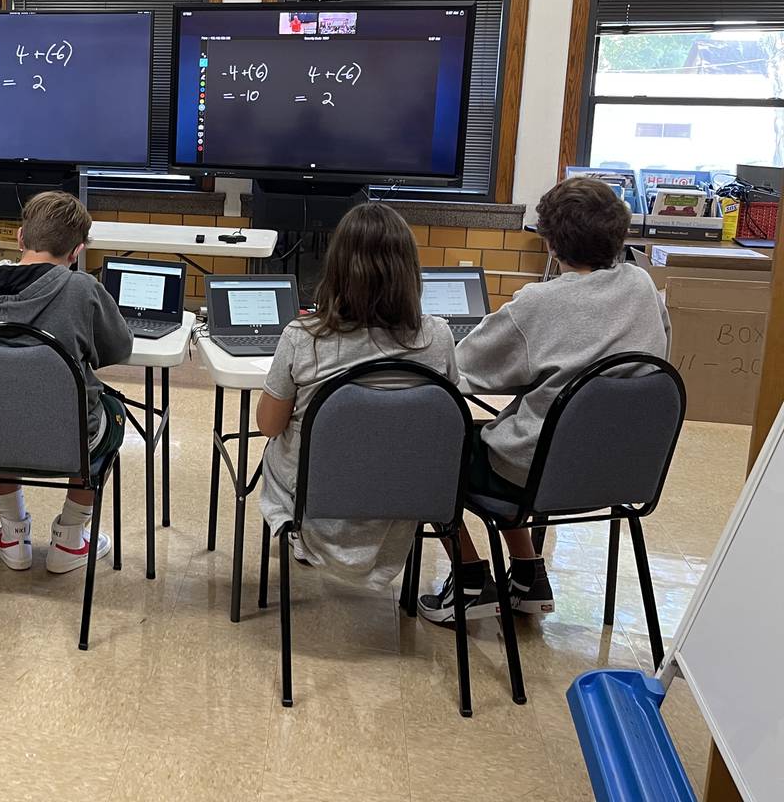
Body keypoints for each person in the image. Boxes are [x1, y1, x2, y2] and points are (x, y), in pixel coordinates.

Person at [419, 176, 671, 623]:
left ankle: (471, 576)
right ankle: (528, 576)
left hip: (540, 473)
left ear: (551, 244)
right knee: (515, 434)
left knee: (431, 446)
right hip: (625, 469)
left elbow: (459, 371)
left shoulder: (538, 302)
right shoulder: (642, 287)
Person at [255, 203, 459, 589]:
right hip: (402, 501)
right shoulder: (438, 338)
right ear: (409, 270)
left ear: (336, 269)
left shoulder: (303, 338)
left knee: (277, 445)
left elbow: (268, 426)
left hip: (315, 506)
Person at [0, 191, 132, 574]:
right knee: (111, 411)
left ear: (21, 238)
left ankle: (12, 532)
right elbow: (117, 348)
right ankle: (71, 539)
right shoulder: (82, 290)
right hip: (68, 440)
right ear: (76, 252)